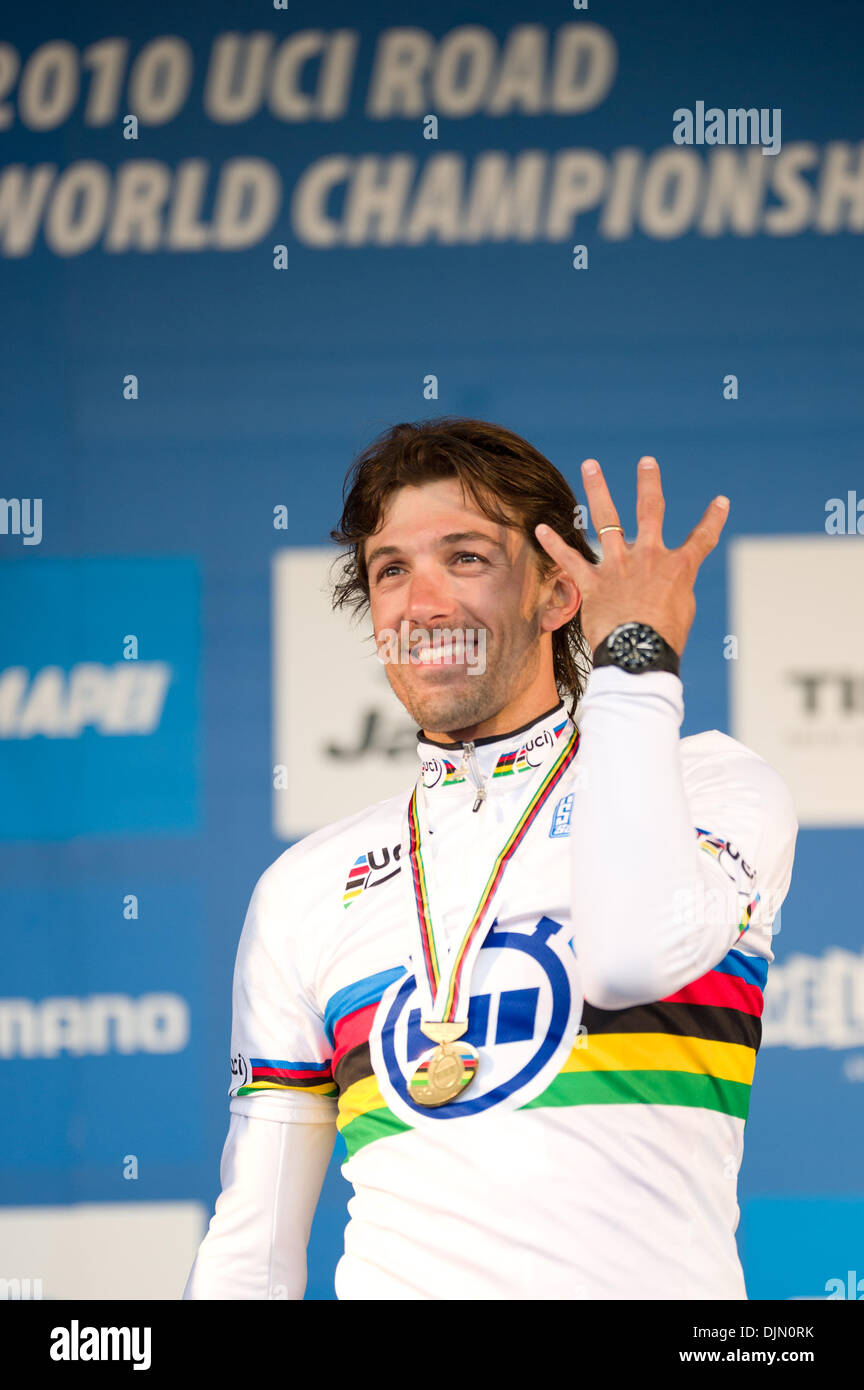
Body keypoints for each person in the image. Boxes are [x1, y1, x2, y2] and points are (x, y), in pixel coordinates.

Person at [183, 418, 797, 1300]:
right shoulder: (306, 886)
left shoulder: (707, 784)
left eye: (465, 557)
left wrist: (636, 666)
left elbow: (630, 959)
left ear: (557, 595)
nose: (421, 602)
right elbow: (253, 1249)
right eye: (392, 569)